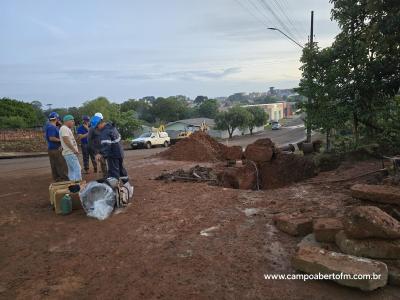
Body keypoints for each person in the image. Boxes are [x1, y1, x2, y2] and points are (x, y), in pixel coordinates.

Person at [90, 115, 128, 180]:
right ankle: (127, 187)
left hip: (113, 154)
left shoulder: (105, 131)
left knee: (113, 173)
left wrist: (101, 154)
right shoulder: (112, 127)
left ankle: (114, 189)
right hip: (119, 152)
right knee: (121, 170)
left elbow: (106, 145)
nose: (97, 129)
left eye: (96, 127)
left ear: (99, 123)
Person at [45, 112, 68, 182]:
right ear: (56, 119)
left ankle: (57, 179)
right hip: (56, 149)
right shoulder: (52, 127)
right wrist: (61, 140)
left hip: (52, 149)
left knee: (55, 165)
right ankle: (64, 179)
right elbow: (51, 138)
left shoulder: (51, 126)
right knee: (61, 165)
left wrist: (60, 125)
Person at [60, 115, 82, 181]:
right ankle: (78, 184)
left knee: (72, 170)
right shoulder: (64, 128)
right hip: (70, 153)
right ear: (67, 121)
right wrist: (74, 150)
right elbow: (66, 140)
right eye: (72, 121)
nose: (73, 122)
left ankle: (73, 183)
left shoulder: (66, 128)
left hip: (69, 153)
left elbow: (68, 140)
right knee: (77, 168)